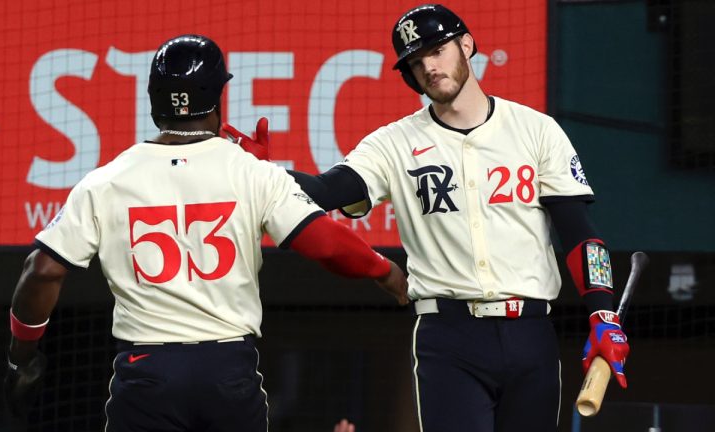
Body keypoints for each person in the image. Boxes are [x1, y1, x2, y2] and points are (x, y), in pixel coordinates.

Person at [224, 4, 630, 431]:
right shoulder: (393, 143)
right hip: (448, 336)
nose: (428, 67)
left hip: (531, 333)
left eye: (436, 51)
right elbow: (327, 191)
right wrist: (261, 175)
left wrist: (602, 312)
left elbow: (581, 235)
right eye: (416, 62)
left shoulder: (537, 130)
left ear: (467, 45)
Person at [3, 34, 408, 431]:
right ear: (217, 99)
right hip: (226, 373)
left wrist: (23, 355)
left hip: (146, 375)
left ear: (153, 99)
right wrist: (387, 272)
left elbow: (42, 270)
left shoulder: (106, 181)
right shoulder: (249, 171)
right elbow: (325, 244)